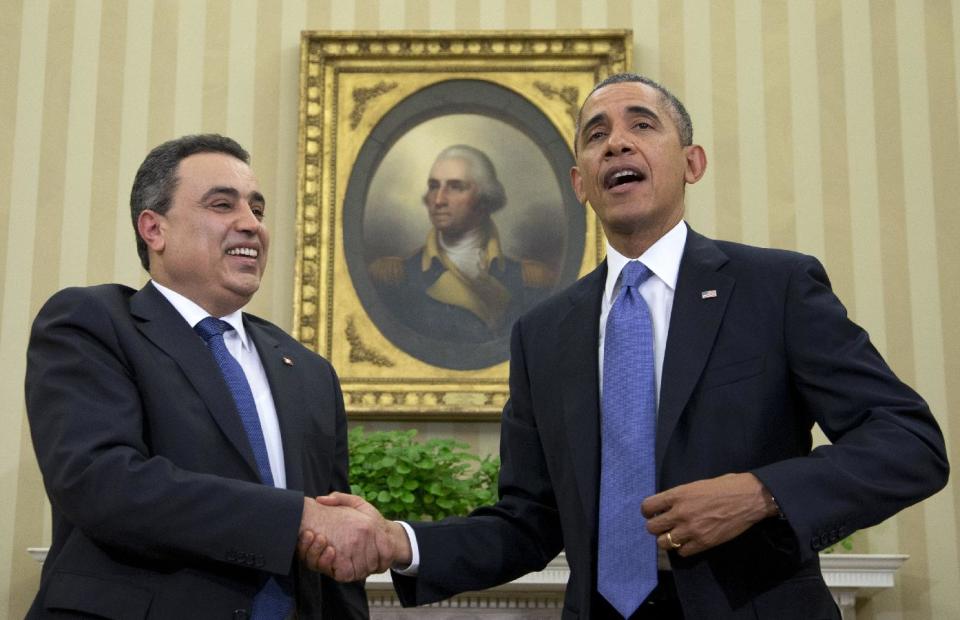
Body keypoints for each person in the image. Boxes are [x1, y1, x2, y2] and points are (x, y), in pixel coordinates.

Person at [303, 74, 949, 619]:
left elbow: (909, 443)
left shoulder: (774, 288)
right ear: (581, 183)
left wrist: (760, 493)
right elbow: (527, 523)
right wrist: (399, 542)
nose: (616, 142)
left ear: (691, 163)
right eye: (596, 134)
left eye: (641, 125)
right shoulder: (543, 333)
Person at [24, 134, 394, 618]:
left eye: (257, 211)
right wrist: (296, 518)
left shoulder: (308, 371)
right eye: (223, 205)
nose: (251, 225)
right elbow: (102, 483)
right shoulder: (92, 322)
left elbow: (334, 558)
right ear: (153, 229)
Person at [369, 144, 555, 343]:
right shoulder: (394, 278)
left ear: (484, 198)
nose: (439, 200)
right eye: (434, 186)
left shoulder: (531, 281)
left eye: (455, 187)